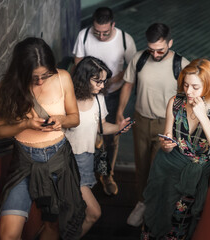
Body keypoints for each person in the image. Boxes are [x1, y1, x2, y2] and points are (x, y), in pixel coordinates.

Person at [0, 37, 85, 240]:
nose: (41, 81)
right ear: (21, 71)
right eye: (34, 77)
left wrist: (61, 120)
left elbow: (75, 118)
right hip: (24, 163)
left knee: (53, 227)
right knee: (8, 234)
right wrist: (25, 124)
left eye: (45, 75)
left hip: (57, 161)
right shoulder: (7, 87)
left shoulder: (62, 78)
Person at [141, 58, 210, 239]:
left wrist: (203, 117)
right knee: (153, 218)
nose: (188, 91)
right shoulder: (176, 102)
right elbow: (167, 139)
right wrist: (166, 145)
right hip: (166, 172)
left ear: (209, 85)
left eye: (195, 87)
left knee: (178, 226)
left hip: (191, 180)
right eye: (185, 85)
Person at [115, 23, 190, 226]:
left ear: (170, 43)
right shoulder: (139, 59)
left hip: (166, 125)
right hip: (141, 121)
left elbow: (190, 99)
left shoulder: (182, 65)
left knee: (161, 170)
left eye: (160, 50)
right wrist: (120, 111)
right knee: (142, 166)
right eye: (152, 50)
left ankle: (157, 208)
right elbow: (128, 84)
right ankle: (142, 203)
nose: (155, 54)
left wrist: (180, 129)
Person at [72, 6, 137, 196]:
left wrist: (114, 80)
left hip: (113, 94)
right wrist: (92, 83)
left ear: (113, 25)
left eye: (105, 33)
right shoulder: (84, 36)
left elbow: (132, 72)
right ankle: (85, 174)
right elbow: (78, 63)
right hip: (87, 93)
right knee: (87, 133)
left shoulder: (125, 40)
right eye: (97, 32)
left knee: (110, 138)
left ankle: (107, 174)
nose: (100, 37)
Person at [65, 56, 131, 236]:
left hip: (86, 161)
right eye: (97, 81)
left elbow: (101, 127)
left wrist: (119, 127)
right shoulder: (66, 99)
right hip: (67, 163)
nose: (102, 85)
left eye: (103, 81)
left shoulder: (98, 99)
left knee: (78, 214)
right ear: (83, 78)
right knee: (93, 213)